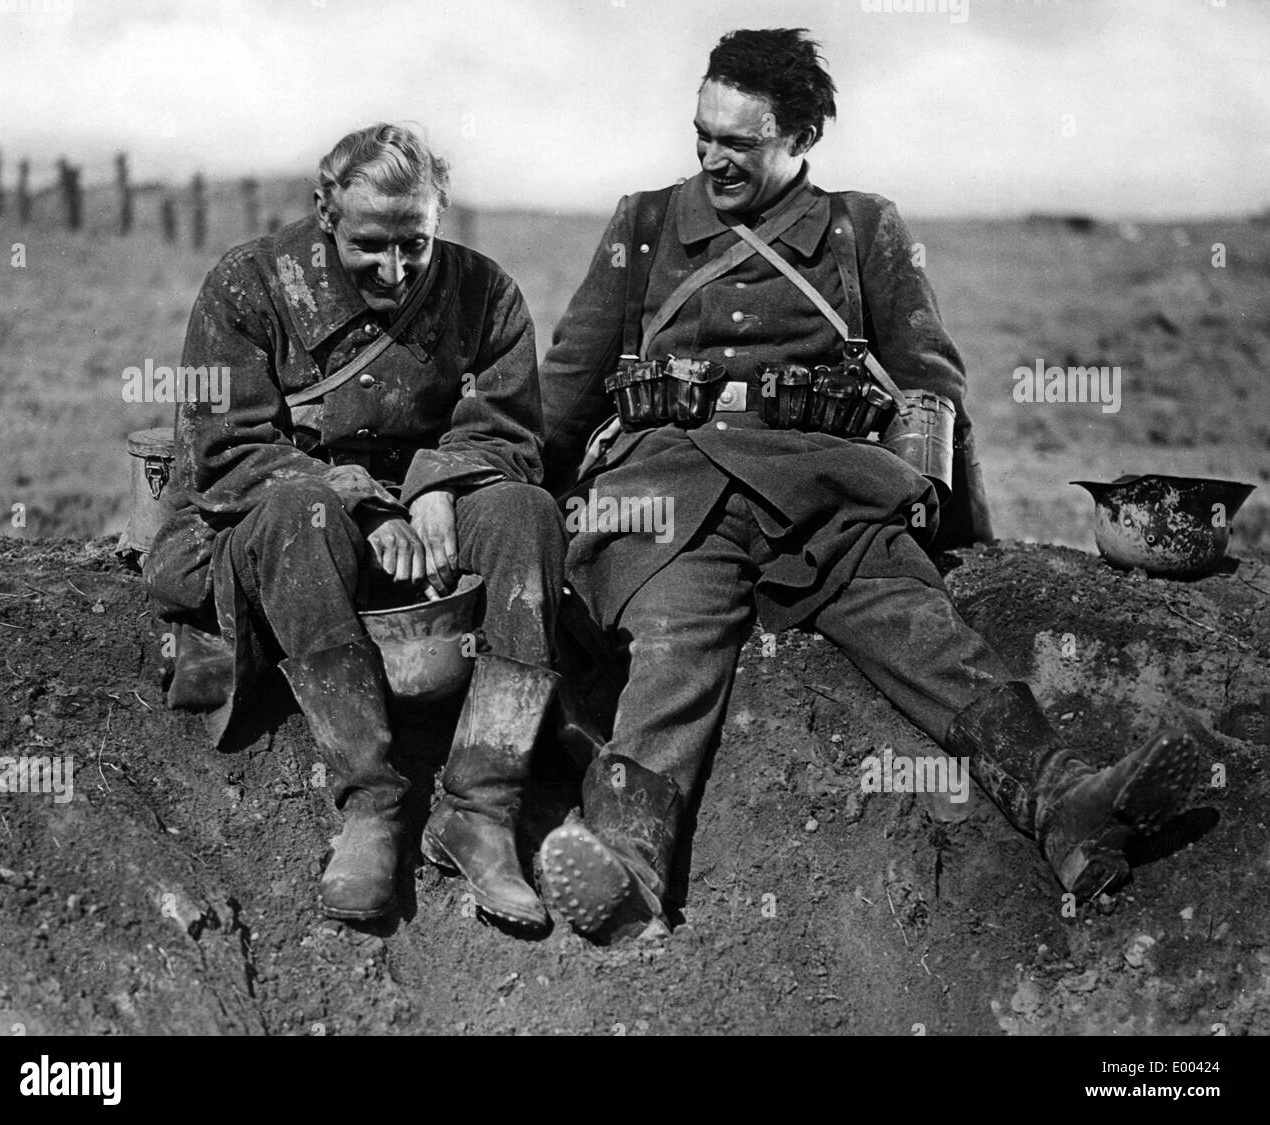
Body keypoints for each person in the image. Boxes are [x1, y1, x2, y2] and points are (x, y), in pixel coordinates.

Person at [534, 29, 1198, 943]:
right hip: (671, 494)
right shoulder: (644, 224)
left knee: (925, 629)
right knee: (676, 641)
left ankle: (1066, 806)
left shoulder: (863, 227)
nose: (711, 158)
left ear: (801, 138)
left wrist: (957, 521)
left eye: (740, 143)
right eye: (703, 135)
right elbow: (567, 386)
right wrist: (514, 496)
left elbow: (932, 381)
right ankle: (625, 857)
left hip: (831, 493)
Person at [145, 123, 566, 928]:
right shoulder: (248, 286)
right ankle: (371, 802)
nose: (397, 269)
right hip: (289, 522)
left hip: (430, 524)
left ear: (439, 217)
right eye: (371, 244)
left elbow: (507, 432)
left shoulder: (485, 294)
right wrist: (360, 499)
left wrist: (441, 483)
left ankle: (481, 809)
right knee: (300, 511)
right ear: (325, 211)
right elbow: (226, 451)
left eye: (417, 242)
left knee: (527, 513)